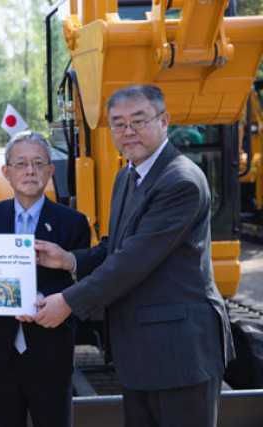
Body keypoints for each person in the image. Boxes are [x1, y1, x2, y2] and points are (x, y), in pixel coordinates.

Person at [31, 85, 235, 427]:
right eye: (118, 123)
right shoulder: (127, 176)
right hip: (140, 354)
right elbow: (118, 246)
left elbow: (132, 262)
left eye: (138, 121)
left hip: (179, 353)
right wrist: (70, 260)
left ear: (164, 121)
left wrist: (67, 302)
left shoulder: (180, 181)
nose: (128, 131)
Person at [0, 131, 90, 427]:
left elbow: (78, 282)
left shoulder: (73, 222)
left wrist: (44, 298)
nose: (30, 171)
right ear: (6, 172)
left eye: (38, 163)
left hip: (51, 351)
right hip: (0, 350)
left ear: (51, 170)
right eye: (20, 164)